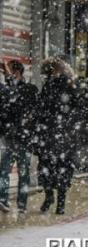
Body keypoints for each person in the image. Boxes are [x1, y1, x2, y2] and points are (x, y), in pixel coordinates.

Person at [34, 57, 80, 215]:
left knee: (55, 168)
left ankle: (55, 200)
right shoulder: (54, 84)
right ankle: (54, 199)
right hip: (55, 135)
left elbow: (76, 106)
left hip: (57, 135)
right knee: (54, 168)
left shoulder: (62, 84)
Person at [0, 61, 39, 217]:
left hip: (23, 139)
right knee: (4, 172)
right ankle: (3, 200)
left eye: (11, 73)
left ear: (19, 73)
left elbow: (18, 100)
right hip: (10, 138)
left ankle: (22, 205)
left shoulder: (30, 89)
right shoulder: (7, 90)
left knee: (23, 174)